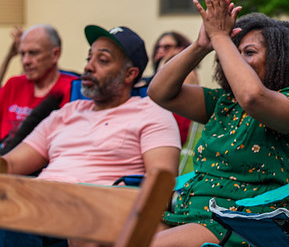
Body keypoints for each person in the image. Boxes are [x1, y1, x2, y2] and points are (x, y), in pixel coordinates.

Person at [149, 0, 289, 247]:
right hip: (189, 214)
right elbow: (160, 92)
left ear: (281, 60)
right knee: (101, 231)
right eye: (235, 53)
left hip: (241, 223)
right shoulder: (224, 103)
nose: (234, 59)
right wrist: (202, 45)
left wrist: (222, 37)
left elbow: (253, 98)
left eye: (248, 52)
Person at [0, 24, 180, 247]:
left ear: (129, 74)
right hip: (38, 207)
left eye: (102, 60)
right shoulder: (66, 113)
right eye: (89, 57)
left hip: (92, 217)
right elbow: (11, 163)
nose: (88, 67)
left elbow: (161, 182)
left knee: (12, 218)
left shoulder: (151, 113)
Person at [0, 25, 76, 143]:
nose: (26, 61)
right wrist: (9, 56)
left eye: (33, 53)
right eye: (22, 54)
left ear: (55, 55)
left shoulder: (72, 89)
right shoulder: (13, 85)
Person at [150, 31, 196, 144]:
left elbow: (159, 94)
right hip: (160, 123)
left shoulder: (188, 73)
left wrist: (163, 67)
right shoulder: (158, 74)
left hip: (173, 126)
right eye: (158, 47)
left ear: (180, 49)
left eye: (167, 47)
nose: (161, 50)